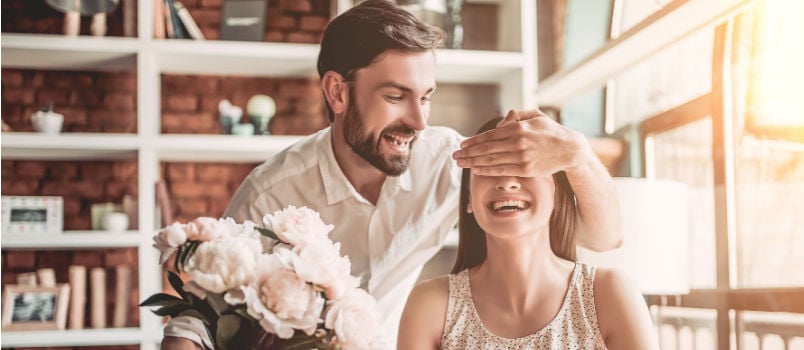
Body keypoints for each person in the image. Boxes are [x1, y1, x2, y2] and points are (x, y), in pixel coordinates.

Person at [161, 1, 621, 349]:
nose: (419, 122)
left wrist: (576, 155)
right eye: (397, 96)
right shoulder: (271, 191)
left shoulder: (448, 160)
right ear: (337, 92)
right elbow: (200, 312)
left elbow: (604, 237)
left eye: (426, 97)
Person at [397, 119, 656, 349]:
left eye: (524, 167)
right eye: (489, 167)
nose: (507, 182)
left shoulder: (608, 295)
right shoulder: (432, 305)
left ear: (557, 194)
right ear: (468, 200)